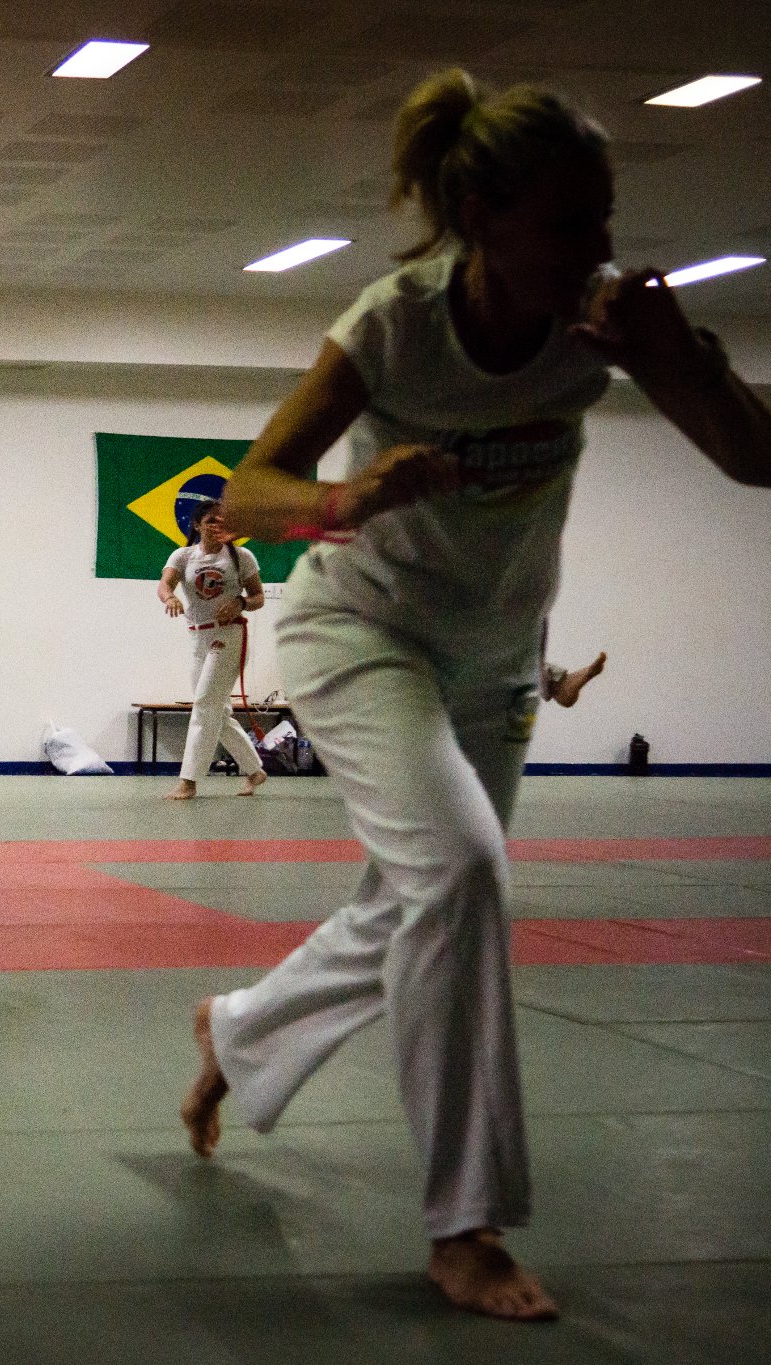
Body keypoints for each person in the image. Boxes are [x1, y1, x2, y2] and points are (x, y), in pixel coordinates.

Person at [181, 70, 770, 1322]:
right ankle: (464, 1225)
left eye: (605, 218)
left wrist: (684, 365)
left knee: (419, 898)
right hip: (361, 635)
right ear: (480, 216)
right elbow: (248, 489)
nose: (598, 248)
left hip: (495, 659)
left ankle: (237, 1032)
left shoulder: (602, 323)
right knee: (458, 875)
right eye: (571, 222)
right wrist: (346, 500)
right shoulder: (392, 324)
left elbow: (754, 458)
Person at [158, 498, 267, 799]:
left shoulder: (240, 556)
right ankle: (255, 771)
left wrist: (241, 602)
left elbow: (258, 596)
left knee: (204, 704)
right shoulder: (183, 556)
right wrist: (170, 598)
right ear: (197, 525)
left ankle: (189, 780)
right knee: (216, 712)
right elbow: (164, 585)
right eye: (211, 522)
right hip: (198, 637)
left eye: (223, 522)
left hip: (229, 636)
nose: (218, 527)